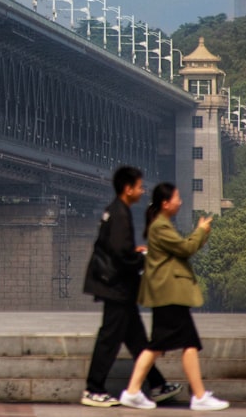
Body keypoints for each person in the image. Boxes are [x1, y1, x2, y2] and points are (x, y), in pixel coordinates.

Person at [118, 182, 229, 411]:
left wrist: (200, 234)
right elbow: (185, 249)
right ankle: (194, 396)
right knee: (169, 344)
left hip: (169, 294)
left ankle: (137, 392)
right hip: (169, 294)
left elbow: (183, 248)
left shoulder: (161, 225)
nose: (180, 201)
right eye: (177, 198)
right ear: (165, 203)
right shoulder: (161, 227)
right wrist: (201, 231)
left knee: (174, 344)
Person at [81, 166, 182, 408]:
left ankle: (157, 385)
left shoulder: (116, 211)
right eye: (139, 186)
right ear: (128, 189)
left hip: (116, 285)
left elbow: (117, 248)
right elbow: (120, 254)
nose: (142, 190)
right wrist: (143, 259)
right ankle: (93, 389)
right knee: (109, 338)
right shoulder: (120, 215)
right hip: (115, 286)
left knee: (136, 339)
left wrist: (134, 253)